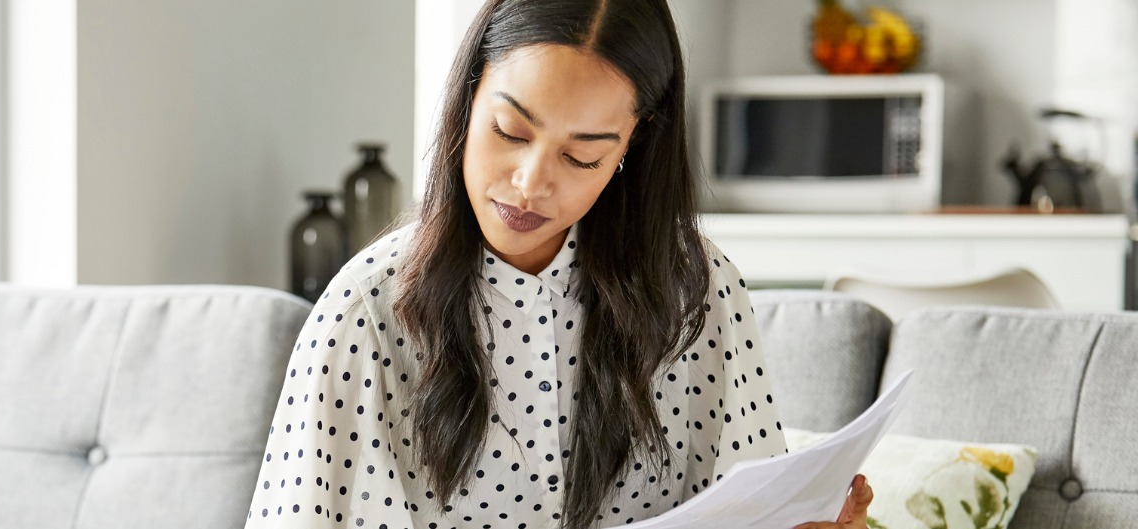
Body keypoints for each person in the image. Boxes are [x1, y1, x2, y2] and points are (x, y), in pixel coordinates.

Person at [244, 0, 873, 527]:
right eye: (511, 132)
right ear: (468, 100)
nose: (529, 183)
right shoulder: (368, 313)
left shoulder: (698, 291)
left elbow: (753, 504)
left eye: (582, 158)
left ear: (634, 144)